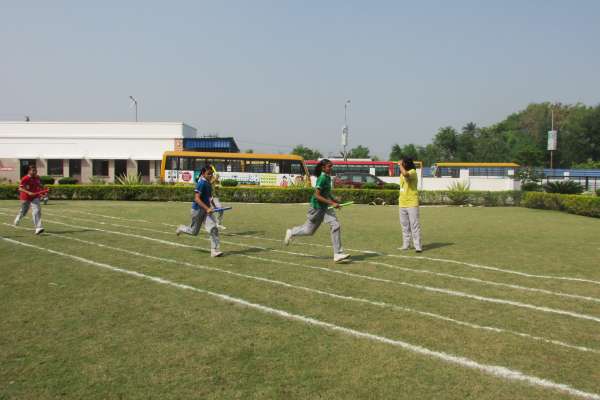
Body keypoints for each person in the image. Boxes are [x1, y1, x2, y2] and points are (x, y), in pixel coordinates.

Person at [284, 159, 350, 263]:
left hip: (325, 207)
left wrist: (334, 199)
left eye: (331, 166)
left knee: (336, 225)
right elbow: (317, 195)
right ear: (323, 168)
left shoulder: (328, 178)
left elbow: (326, 193)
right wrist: (332, 203)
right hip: (316, 208)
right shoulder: (322, 178)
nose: (331, 168)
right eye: (329, 167)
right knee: (309, 231)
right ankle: (292, 232)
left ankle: (338, 254)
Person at [176, 167, 223, 257]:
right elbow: (197, 199)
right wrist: (207, 208)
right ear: (203, 174)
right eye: (208, 174)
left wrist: (213, 206)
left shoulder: (208, 184)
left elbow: (209, 198)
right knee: (194, 232)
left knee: (213, 228)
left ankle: (214, 251)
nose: (210, 175)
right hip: (197, 210)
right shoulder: (201, 183)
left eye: (211, 174)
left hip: (206, 211)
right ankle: (182, 228)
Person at [398, 157, 422, 252]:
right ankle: (406, 245)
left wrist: (400, 165)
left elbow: (405, 174)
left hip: (412, 203)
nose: (401, 164)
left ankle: (418, 246)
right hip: (402, 203)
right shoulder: (401, 172)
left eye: (403, 163)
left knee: (414, 225)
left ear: (406, 164)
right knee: (405, 226)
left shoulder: (412, 172)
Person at [14, 164, 45, 235]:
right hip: (25, 197)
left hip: (35, 197)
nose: (35, 172)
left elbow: (39, 185)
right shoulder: (25, 178)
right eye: (33, 170)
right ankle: (18, 217)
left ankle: (38, 228)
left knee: (37, 210)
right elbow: (20, 188)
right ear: (29, 171)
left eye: (35, 170)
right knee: (24, 212)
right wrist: (28, 192)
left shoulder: (37, 177)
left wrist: (44, 190)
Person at [206, 163, 226, 230]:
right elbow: (209, 183)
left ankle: (217, 224)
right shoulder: (206, 178)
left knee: (220, 210)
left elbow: (217, 183)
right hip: (210, 197)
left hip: (215, 197)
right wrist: (215, 179)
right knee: (219, 209)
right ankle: (217, 224)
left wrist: (217, 180)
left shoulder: (214, 178)